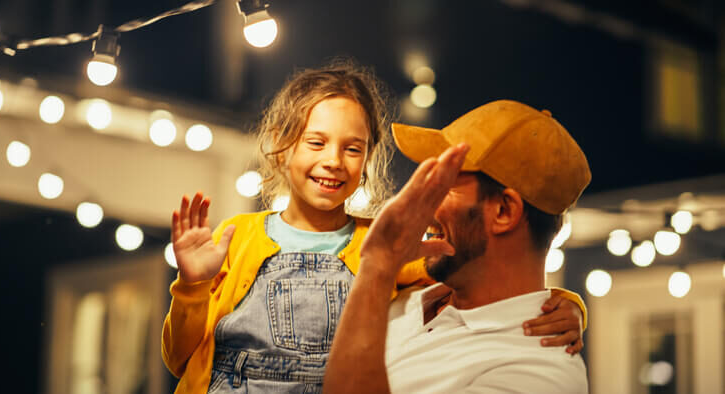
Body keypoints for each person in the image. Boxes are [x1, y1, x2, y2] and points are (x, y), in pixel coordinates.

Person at [162, 61, 585, 394]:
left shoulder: (536, 372)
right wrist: (192, 287)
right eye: (316, 142)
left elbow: (507, 291)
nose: (333, 160)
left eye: (446, 183)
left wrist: (558, 305)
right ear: (280, 146)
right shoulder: (419, 299)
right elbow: (184, 356)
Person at [324, 100, 591, 393]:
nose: (421, 207)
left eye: (443, 187)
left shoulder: (541, 374)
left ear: (503, 211)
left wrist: (377, 266)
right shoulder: (408, 295)